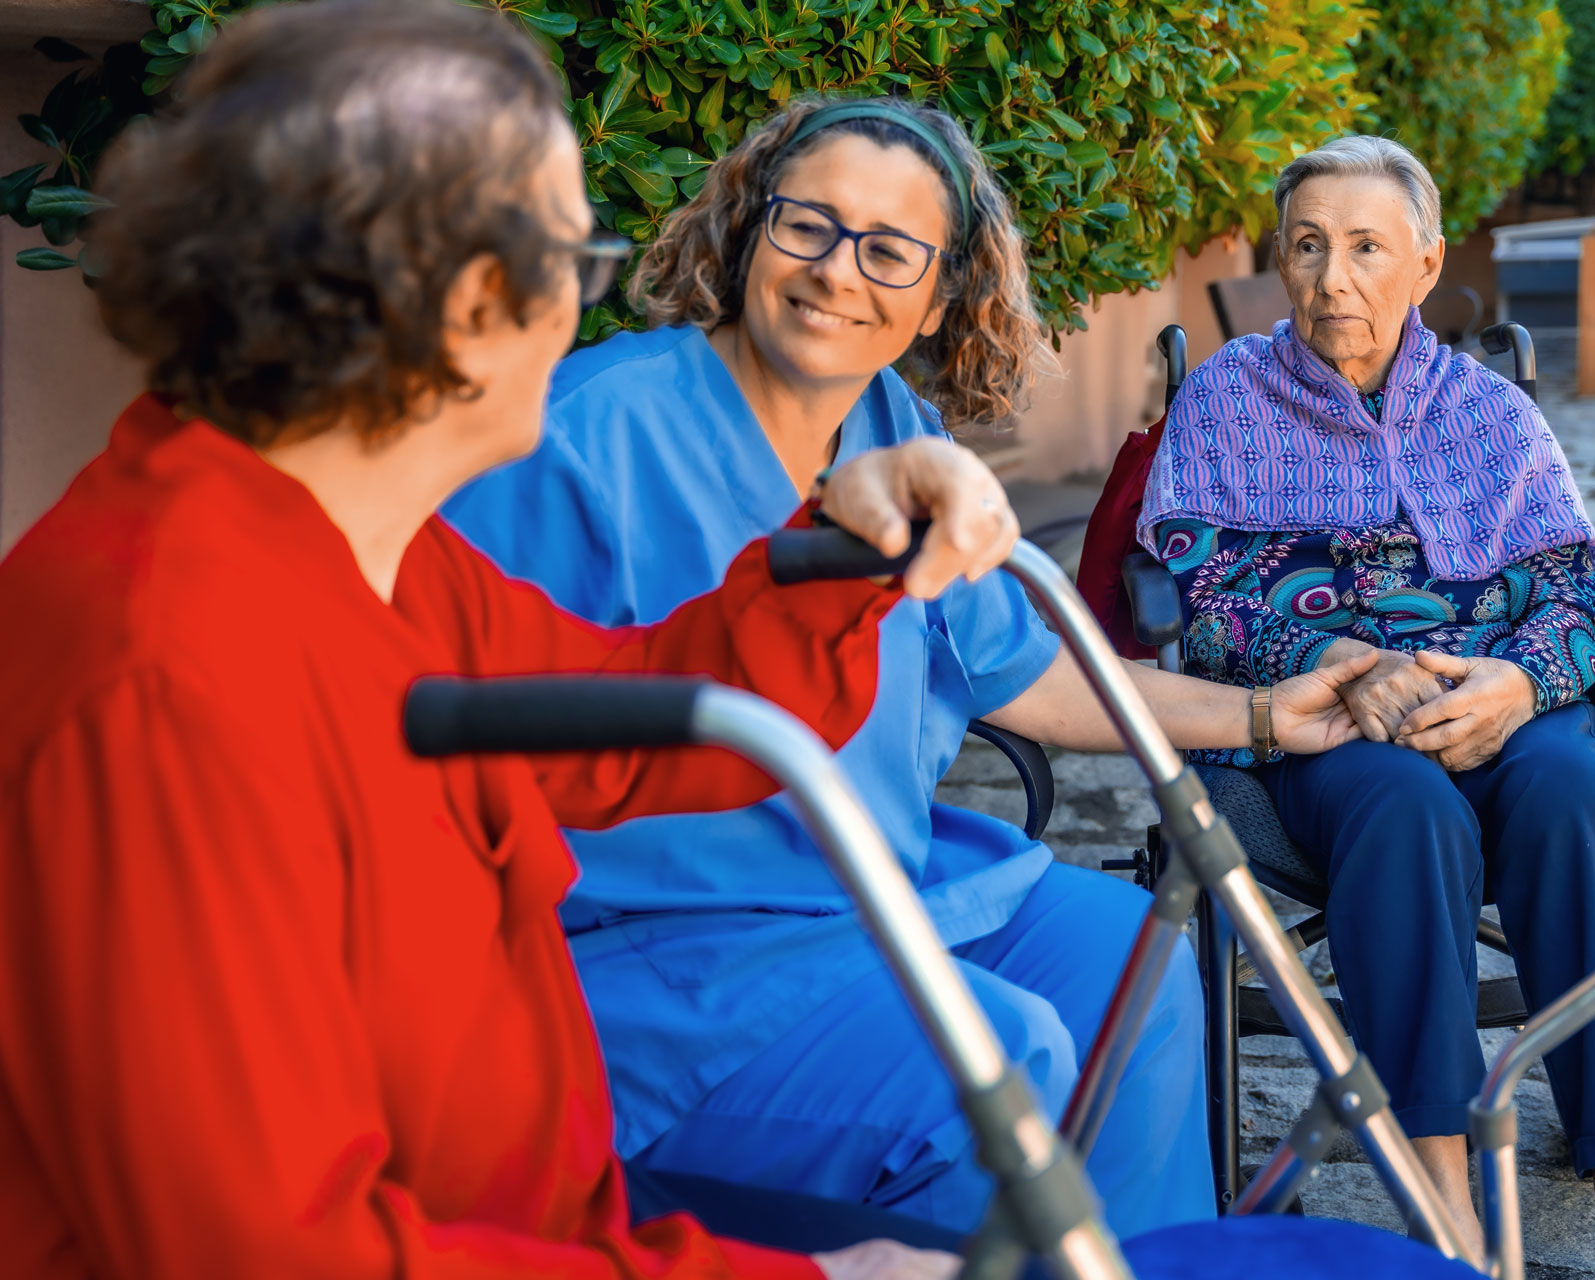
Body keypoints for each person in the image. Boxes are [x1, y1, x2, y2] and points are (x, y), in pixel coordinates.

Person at [0, 4, 1026, 1276]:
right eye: (573, 255)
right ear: (479, 297)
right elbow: (266, 1250)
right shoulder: (165, 671)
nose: (578, 309)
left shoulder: (365, 549)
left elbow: (636, 715)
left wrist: (840, 548)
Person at [443, 96, 1377, 1234]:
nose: (839, 272)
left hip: (879, 894)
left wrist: (1266, 713)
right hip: (663, 951)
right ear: (748, 232)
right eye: (807, 227)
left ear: (941, 292)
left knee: (1130, 955)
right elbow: (465, 730)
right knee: (1009, 1061)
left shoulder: (893, 426)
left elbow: (1029, 673)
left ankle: (1137, 1259)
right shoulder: (589, 436)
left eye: (889, 249)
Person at [1138, 135, 1595, 1280]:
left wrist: (1520, 682)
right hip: (1321, 720)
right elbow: (1200, 595)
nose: (1335, 278)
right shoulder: (1229, 395)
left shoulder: (1491, 412)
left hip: (1500, 700)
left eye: (1368, 248)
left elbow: (1578, 599)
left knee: (1579, 792)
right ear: (1282, 262)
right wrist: (1340, 655)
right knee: (1404, 807)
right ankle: (1442, 1196)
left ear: (1426, 266)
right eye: (1309, 246)